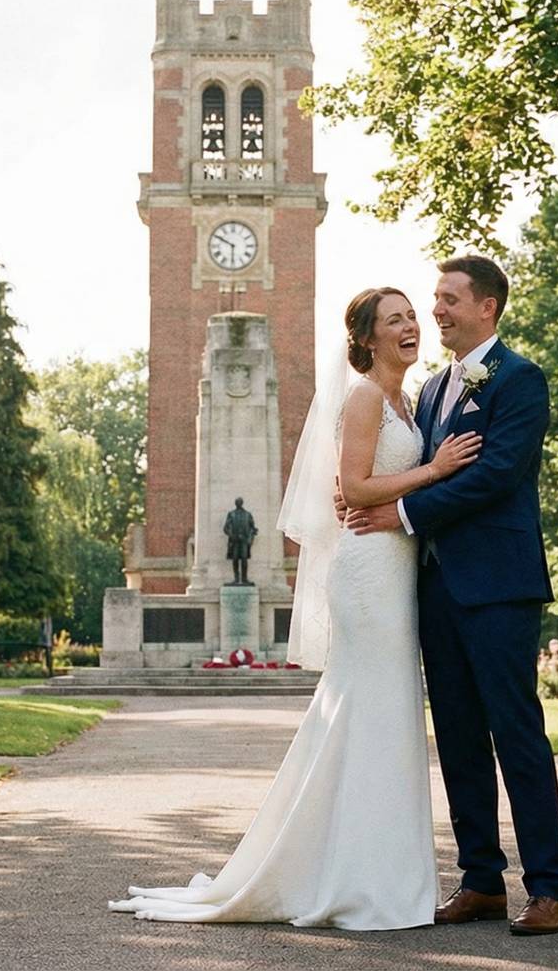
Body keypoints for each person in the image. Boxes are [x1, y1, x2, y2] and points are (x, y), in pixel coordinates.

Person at [109, 287, 481, 929]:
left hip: (396, 575)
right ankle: (357, 878)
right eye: (395, 320)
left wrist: (421, 473)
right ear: (367, 339)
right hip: (368, 574)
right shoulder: (365, 397)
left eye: (411, 316)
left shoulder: (410, 401)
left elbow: (360, 489)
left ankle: (379, 871)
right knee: (371, 711)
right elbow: (355, 487)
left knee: (385, 719)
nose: (411, 325)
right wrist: (435, 469)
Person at [346, 254, 558, 935]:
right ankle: (481, 880)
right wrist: (384, 497)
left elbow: (496, 476)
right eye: (433, 300)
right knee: (460, 738)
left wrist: (403, 515)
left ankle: (549, 888)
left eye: (447, 300)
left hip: (499, 586)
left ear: (487, 308)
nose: (435, 311)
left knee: (516, 733)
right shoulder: (436, 387)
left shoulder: (520, 379)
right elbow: (420, 469)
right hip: (437, 587)